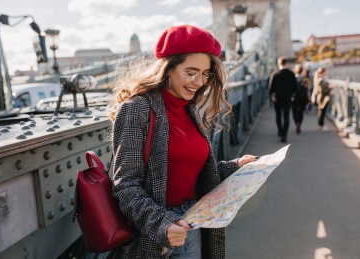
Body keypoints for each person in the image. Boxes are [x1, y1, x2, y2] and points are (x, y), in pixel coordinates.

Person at [108, 25, 258, 259]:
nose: (199, 82)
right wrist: (162, 224)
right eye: (191, 72)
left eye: (205, 74)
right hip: (152, 231)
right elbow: (125, 185)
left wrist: (236, 167)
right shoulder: (137, 109)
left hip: (191, 223)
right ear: (168, 68)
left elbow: (190, 174)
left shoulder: (192, 111)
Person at [269, 57, 297, 143]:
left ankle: (280, 131)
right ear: (287, 63)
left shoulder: (275, 74)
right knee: (286, 117)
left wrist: (273, 95)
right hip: (287, 98)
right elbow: (295, 87)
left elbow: (270, 88)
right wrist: (291, 94)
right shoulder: (291, 74)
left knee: (278, 116)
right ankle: (284, 134)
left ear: (278, 64)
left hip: (277, 98)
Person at [292, 65, 310, 134]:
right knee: (301, 112)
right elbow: (307, 90)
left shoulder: (293, 79)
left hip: (294, 97)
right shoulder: (305, 79)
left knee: (295, 111)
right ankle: (300, 123)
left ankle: (296, 123)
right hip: (303, 97)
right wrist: (309, 100)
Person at [312, 67, 331, 131]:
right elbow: (322, 90)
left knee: (321, 112)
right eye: (326, 71)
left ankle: (321, 125)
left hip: (320, 98)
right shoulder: (320, 80)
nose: (327, 72)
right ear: (323, 72)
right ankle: (321, 126)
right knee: (322, 112)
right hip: (322, 98)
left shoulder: (319, 79)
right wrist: (330, 88)